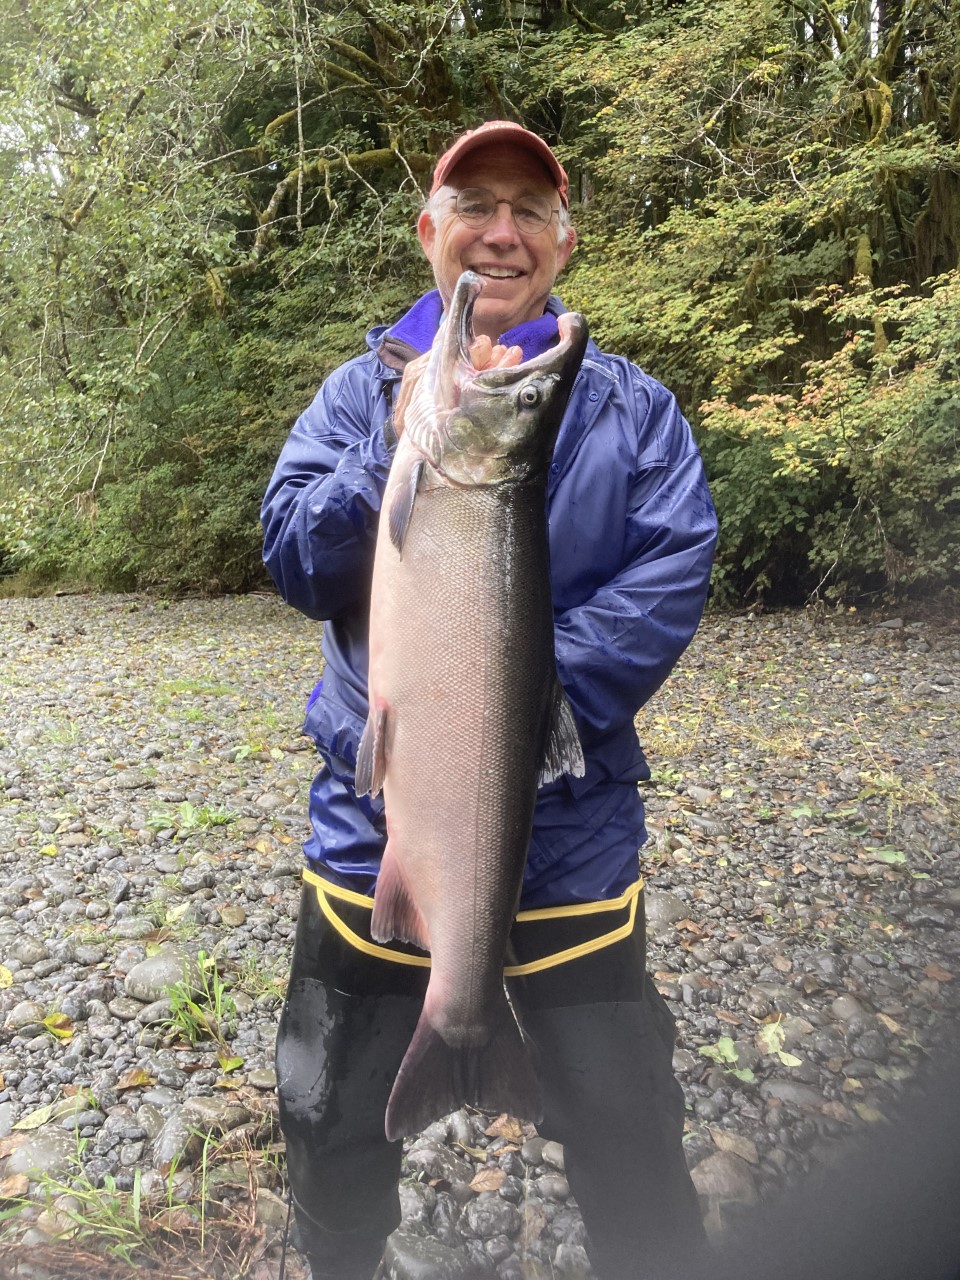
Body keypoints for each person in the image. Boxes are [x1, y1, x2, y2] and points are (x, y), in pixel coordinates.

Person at [261, 120, 719, 1280]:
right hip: (374, 825)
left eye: (529, 210)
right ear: (431, 230)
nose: (501, 232)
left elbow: (669, 579)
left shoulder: (636, 411)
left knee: (628, 1124)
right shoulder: (358, 396)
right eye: (475, 205)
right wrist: (387, 448)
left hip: (575, 836)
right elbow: (293, 554)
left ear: (565, 241)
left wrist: (511, 704)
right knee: (327, 1111)